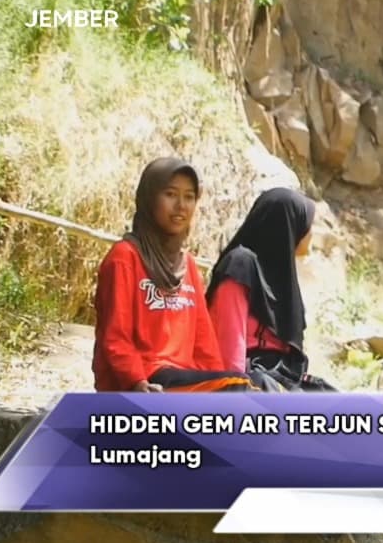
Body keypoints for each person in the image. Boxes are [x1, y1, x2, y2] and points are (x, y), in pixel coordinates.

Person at [92, 157, 255, 393]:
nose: (181, 206)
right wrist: (137, 383)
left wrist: (216, 381)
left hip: (182, 380)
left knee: (248, 390)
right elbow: (116, 337)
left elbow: (204, 343)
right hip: (143, 381)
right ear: (149, 198)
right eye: (170, 194)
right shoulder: (124, 257)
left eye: (189, 197)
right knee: (240, 388)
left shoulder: (186, 263)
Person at [206, 187, 336, 392]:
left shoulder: (281, 277)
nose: (311, 231)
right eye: (307, 223)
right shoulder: (241, 266)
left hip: (279, 376)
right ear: (287, 224)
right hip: (249, 379)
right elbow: (229, 345)